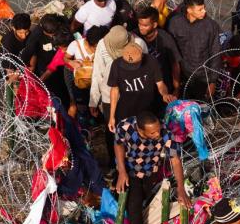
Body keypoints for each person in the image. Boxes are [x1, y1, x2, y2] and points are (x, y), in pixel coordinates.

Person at [114, 111, 191, 224]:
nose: (158, 134)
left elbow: (175, 159)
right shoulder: (125, 127)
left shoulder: (165, 132)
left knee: (146, 207)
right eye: (153, 133)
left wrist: (180, 188)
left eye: (158, 130)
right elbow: (118, 144)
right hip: (131, 173)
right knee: (133, 211)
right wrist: (121, 171)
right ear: (140, 130)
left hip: (150, 174)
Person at [89, 25, 147, 170]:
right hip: (109, 97)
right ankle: (115, 165)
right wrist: (93, 100)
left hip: (134, 96)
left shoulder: (139, 44)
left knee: (135, 130)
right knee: (112, 132)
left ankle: (135, 162)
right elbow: (97, 73)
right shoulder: (102, 44)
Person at [107, 42, 176, 130]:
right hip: (126, 111)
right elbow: (114, 89)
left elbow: (160, 83)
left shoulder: (151, 61)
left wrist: (164, 94)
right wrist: (111, 116)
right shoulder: (116, 64)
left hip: (148, 109)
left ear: (142, 56)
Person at [168, 0, 222, 101]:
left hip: (203, 77)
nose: (204, 11)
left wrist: (212, 82)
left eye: (204, 8)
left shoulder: (211, 26)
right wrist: (175, 83)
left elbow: (215, 53)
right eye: (200, 9)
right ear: (189, 10)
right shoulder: (175, 23)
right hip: (182, 77)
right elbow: (171, 52)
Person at [135, 6, 182, 98]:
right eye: (139, 24)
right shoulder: (134, 36)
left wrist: (176, 88)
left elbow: (175, 64)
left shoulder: (165, 38)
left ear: (155, 25)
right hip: (144, 87)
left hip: (164, 84)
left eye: (145, 25)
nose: (141, 28)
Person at [64, 26, 108, 118]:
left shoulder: (103, 47)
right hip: (80, 84)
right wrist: (71, 62)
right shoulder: (75, 45)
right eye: (96, 47)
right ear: (87, 42)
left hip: (97, 83)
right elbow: (65, 58)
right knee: (80, 106)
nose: (97, 49)